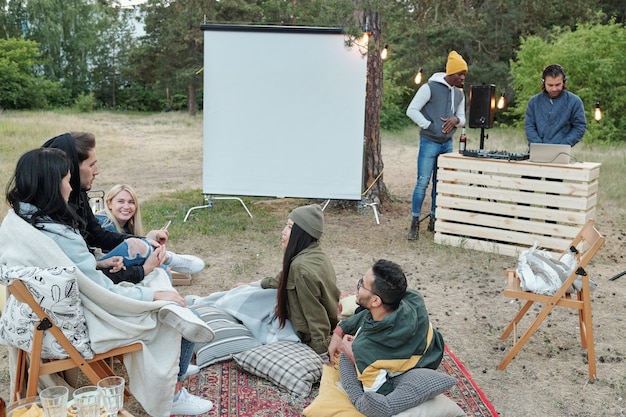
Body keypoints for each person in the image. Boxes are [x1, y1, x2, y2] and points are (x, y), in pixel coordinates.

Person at [4, 147, 214, 415]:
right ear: (51, 184)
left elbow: (67, 271)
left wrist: (98, 264)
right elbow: (101, 292)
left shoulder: (19, 221)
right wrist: (152, 298)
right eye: (68, 181)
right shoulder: (58, 233)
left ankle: (176, 365)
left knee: (159, 283)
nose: (71, 189)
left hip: (38, 318)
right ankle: (172, 393)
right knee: (175, 311)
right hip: (75, 323)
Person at [41, 132, 204, 284]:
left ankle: (163, 258)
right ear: (72, 168)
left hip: (93, 268)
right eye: (92, 165)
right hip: (89, 281)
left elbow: (97, 235)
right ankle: (166, 258)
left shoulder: (77, 196)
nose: (97, 171)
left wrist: (144, 240)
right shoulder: (56, 220)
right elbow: (86, 274)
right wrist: (142, 269)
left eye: (131, 202)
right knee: (151, 263)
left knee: (146, 255)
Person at [328, 259, 445, 402]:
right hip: (435, 346)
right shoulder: (413, 297)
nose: (356, 285)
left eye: (361, 284)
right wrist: (340, 330)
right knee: (361, 309)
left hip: (423, 364)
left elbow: (381, 395)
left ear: (376, 301)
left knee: (360, 310)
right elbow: (369, 313)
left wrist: (354, 356)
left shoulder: (364, 350)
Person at [236, 204, 341, 355]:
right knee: (244, 294)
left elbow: (315, 314)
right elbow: (279, 280)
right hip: (296, 314)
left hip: (300, 332)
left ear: (302, 233)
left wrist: (322, 351)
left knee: (245, 313)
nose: (283, 232)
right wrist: (251, 285)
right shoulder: (312, 253)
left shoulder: (301, 268)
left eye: (290, 227)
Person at [406, 50, 468, 240]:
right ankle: (415, 222)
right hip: (429, 142)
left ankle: (435, 220)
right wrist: (430, 126)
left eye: (464, 74)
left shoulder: (459, 94)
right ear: (451, 73)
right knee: (423, 182)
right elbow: (412, 110)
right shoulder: (429, 88)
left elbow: (464, 119)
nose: (463, 77)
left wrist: (455, 119)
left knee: (439, 184)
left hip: (446, 144)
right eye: (460, 74)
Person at [96, 183, 205, 283]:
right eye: (120, 201)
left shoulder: (126, 226)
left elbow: (123, 251)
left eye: (131, 202)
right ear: (109, 203)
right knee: (156, 264)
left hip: (116, 269)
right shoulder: (103, 221)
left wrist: (151, 237)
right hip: (100, 269)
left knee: (163, 270)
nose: (126, 206)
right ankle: (167, 258)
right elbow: (113, 254)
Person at [525, 64, 587, 146]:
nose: (554, 89)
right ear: (544, 83)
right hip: (536, 151)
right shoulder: (534, 102)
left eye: (558, 85)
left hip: (562, 152)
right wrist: (538, 145)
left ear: (563, 82)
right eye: (550, 85)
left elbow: (579, 127)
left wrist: (564, 144)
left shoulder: (574, 101)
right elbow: (529, 126)